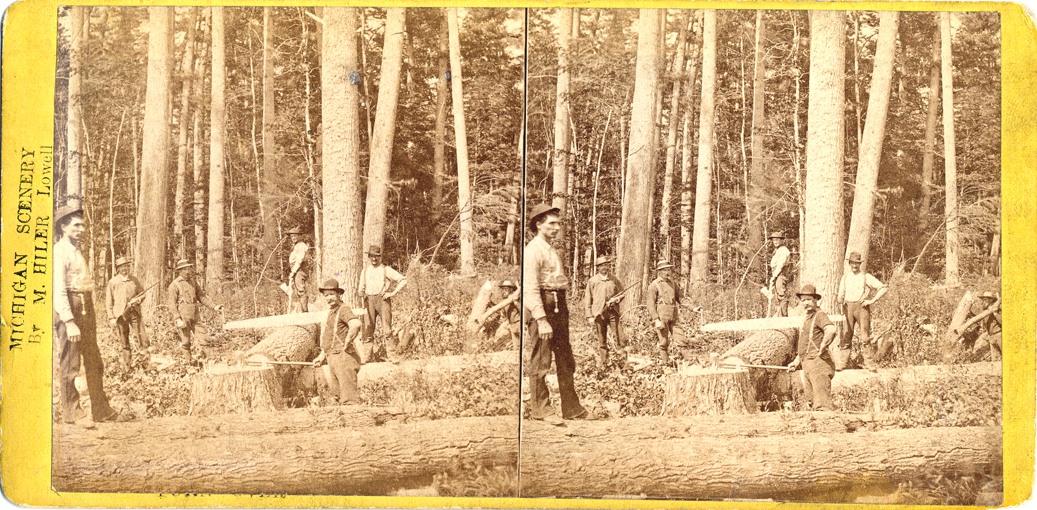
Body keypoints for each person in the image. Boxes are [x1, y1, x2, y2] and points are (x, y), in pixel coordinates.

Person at [523, 204, 595, 424]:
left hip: (558, 304)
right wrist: (541, 319)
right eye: (551, 223)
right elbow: (530, 287)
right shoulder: (533, 250)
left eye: (558, 223)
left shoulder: (550, 249)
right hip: (542, 306)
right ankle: (541, 409)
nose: (557, 227)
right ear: (538, 224)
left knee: (565, 358)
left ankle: (571, 408)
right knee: (542, 358)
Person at [54, 204, 125, 424]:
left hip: (86, 305)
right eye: (76, 225)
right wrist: (69, 321)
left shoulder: (76, 251)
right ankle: (73, 413)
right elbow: (59, 290)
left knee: (94, 360)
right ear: (64, 227)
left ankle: (101, 410)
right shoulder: (59, 252)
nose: (81, 229)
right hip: (71, 308)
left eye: (83, 225)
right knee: (71, 363)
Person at [787, 284, 838, 411]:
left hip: (818, 364)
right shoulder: (808, 318)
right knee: (811, 403)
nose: (805, 303)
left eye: (809, 299)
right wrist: (796, 361)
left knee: (822, 406)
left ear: (815, 300)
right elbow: (806, 344)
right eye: (803, 300)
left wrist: (823, 347)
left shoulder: (819, 315)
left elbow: (831, 330)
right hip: (807, 364)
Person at [313, 279, 364, 404]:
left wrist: (347, 342)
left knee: (349, 400)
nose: (328, 298)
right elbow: (330, 337)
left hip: (344, 358)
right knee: (336, 398)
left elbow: (356, 323)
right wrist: (321, 356)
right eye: (326, 295)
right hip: (332, 358)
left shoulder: (343, 309)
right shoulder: (332, 311)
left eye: (331, 294)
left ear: (338, 294)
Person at [836, 251, 888, 370]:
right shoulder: (845, 278)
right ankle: (842, 363)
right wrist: (840, 299)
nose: (854, 266)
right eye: (852, 263)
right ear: (849, 263)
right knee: (847, 335)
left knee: (865, 337)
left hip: (862, 308)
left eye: (857, 263)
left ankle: (869, 363)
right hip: (848, 308)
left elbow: (883, 288)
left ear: (860, 264)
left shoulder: (866, 277)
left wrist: (872, 300)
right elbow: (840, 295)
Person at [357, 245, 408, 359]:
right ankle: (366, 357)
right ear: (369, 257)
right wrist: (363, 301)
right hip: (369, 301)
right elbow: (360, 290)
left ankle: (392, 355)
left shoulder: (386, 270)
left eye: (377, 256)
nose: (374, 259)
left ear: (380, 257)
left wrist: (392, 293)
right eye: (372, 256)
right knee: (368, 330)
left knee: (387, 330)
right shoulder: (365, 271)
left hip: (383, 301)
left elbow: (403, 280)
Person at [168, 259, 224, 361]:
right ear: (180, 271)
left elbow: (202, 297)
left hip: (195, 314)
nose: (188, 271)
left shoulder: (193, 282)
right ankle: (189, 363)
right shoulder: (174, 285)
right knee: (186, 342)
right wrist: (177, 319)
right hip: (183, 315)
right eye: (185, 269)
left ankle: (210, 361)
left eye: (189, 268)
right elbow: (171, 304)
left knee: (204, 337)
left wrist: (214, 307)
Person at [105, 257, 150, 368]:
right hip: (120, 315)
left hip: (134, 313)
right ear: (118, 269)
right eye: (122, 267)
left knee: (143, 339)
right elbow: (109, 302)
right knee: (124, 341)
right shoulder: (113, 282)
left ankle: (145, 364)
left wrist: (137, 300)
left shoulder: (134, 280)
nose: (125, 268)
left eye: (126, 266)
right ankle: (127, 367)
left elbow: (142, 293)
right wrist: (111, 317)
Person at [585, 255, 627, 367]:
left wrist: (616, 299)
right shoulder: (592, 281)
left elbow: (622, 293)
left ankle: (623, 363)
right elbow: (588, 299)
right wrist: (589, 316)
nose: (604, 267)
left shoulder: (613, 279)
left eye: (606, 265)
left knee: (620, 338)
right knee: (602, 340)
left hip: (613, 313)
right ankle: (605, 363)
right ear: (597, 268)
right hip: (599, 314)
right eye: (601, 265)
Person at [646, 260, 681, 363]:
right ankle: (665, 363)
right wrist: (656, 319)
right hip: (661, 316)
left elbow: (681, 298)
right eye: (664, 270)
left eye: (669, 270)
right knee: (663, 341)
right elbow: (650, 304)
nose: (667, 272)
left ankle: (691, 363)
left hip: (673, 314)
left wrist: (693, 308)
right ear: (659, 272)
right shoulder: (654, 285)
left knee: (681, 338)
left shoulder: (673, 284)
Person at [970, 291, 1002, 361]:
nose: (984, 302)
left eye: (986, 300)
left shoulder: (998, 309)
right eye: (983, 300)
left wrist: (995, 313)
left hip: (999, 335)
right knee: (995, 360)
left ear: (991, 300)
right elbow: (979, 320)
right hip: (991, 337)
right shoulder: (985, 311)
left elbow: (1003, 322)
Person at [490, 280, 521, 350]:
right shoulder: (505, 301)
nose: (504, 291)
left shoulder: (516, 298)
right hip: (512, 325)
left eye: (506, 289)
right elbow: (502, 315)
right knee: (516, 348)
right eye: (503, 289)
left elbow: (522, 310)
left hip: (519, 323)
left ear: (511, 289)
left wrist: (516, 302)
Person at [285, 227, 310, 313]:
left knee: (300, 289)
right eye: (292, 237)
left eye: (295, 236)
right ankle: (301, 310)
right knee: (296, 290)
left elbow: (299, 260)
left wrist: (293, 272)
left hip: (300, 269)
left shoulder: (301, 245)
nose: (293, 238)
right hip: (296, 269)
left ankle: (305, 312)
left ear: (299, 236)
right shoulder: (296, 246)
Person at [768, 231, 791, 317]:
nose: (775, 242)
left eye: (777, 240)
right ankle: (781, 315)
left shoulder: (783, 250)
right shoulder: (777, 250)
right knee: (778, 295)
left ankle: (784, 317)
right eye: (774, 240)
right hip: (777, 273)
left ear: (781, 240)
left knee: (781, 294)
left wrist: (774, 276)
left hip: (781, 273)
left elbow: (781, 265)